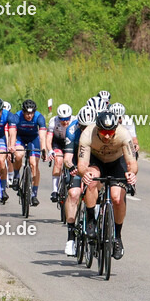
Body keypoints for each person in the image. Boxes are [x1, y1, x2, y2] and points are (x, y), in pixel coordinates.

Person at [77, 111, 137, 260]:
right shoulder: (87, 134)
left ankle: (117, 237)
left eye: (111, 132)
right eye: (104, 132)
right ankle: (91, 220)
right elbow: (82, 165)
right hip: (96, 161)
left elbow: (132, 163)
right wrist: (85, 172)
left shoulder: (124, 134)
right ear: (97, 128)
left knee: (117, 198)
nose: (107, 136)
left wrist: (131, 173)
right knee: (91, 180)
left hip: (117, 162)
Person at [62, 105, 96, 256]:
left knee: (96, 186)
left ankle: (96, 216)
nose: (85, 130)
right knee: (74, 194)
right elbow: (67, 158)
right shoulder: (71, 130)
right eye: (82, 127)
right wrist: (71, 167)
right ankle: (70, 238)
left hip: (94, 162)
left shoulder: (98, 131)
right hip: (77, 161)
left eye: (88, 127)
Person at [10, 99, 47, 206]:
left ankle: (34, 194)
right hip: (20, 138)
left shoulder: (39, 117)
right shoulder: (17, 116)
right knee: (19, 154)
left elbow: (42, 135)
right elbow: (12, 133)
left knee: (33, 164)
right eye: (27, 113)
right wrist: (12, 146)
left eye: (31, 113)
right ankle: (16, 175)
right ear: (23, 112)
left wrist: (44, 149)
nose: (29, 116)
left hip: (33, 139)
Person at [47, 103, 72, 203]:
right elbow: (49, 139)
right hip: (58, 143)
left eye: (67, 119)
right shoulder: (53, 121)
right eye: (62, 119)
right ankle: (55, 190)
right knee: (58, 160)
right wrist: (50, 150)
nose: (65, 122)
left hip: (69, 143)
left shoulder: (75, 121)